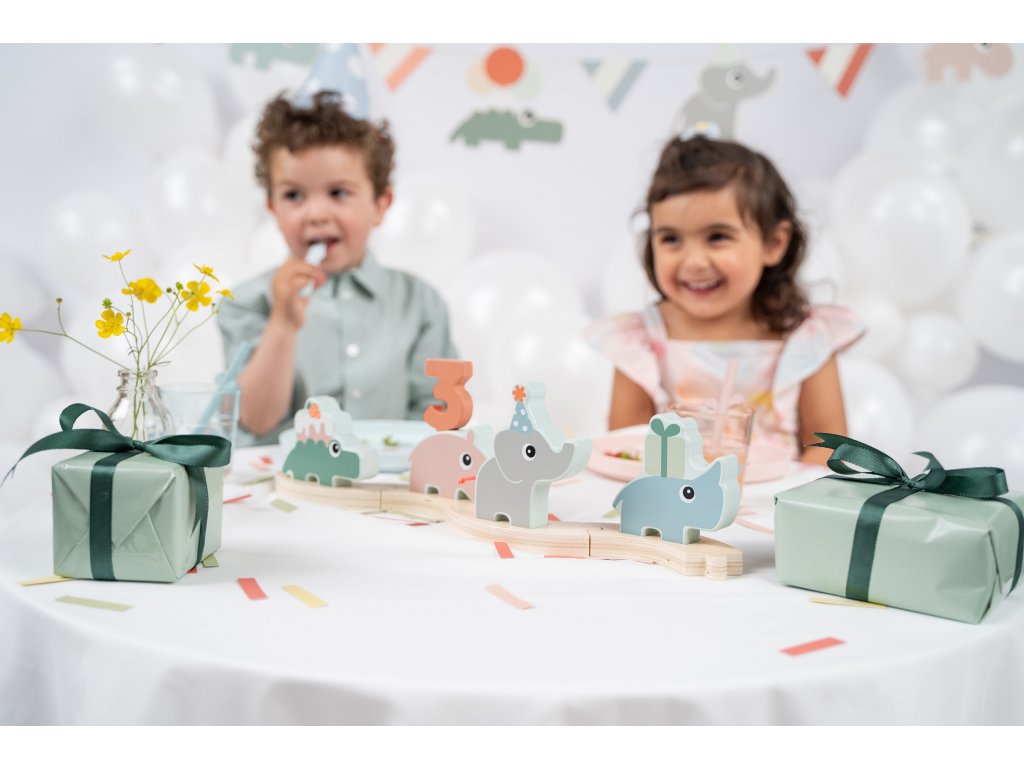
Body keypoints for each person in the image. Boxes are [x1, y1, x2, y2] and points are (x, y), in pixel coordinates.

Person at [590, 136, 863, 465]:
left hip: (779, 497)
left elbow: (829, 448)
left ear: (774, 243)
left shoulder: (807, 338)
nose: (694, 262)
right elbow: (626, 450)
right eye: (671, 239)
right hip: (674, 497)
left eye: (717, 237)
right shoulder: (640, 341)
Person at [218, 91, 457, 446]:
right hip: (286, 479)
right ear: (273, 210)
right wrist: (282, 324)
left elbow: (436, 419)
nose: (316, 214)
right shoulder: (246, 303)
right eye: (294, 195)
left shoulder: (421, 304)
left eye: (338, 193)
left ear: (380, 205)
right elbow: (255, 419)